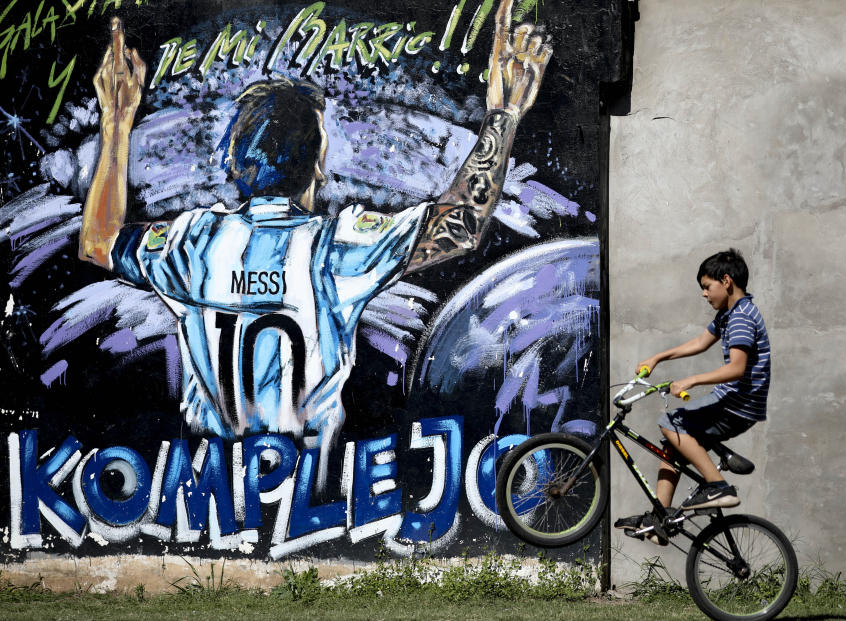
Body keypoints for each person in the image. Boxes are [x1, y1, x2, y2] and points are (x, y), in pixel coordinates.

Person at [78, 1, 552, 492]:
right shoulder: (334, 248)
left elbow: (99, 240)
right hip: (307, 506)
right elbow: (461, 222)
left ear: (238, 164)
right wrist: (504, 113)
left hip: (207, 505)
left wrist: (115, 122)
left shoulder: (194, 243)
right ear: (315, 170)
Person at [617, 248, 770, 543]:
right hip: (737, 402)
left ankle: (718, 487)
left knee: (670, 423)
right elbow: (701, 342)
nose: (704, 294)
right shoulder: (729, 314)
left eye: (706, 286)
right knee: (671, 444)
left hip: (739, 404)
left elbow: (737, 369)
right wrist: (657, 357)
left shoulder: (741, 318)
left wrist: (692, 379)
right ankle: (661, 518)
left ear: (726, 281)